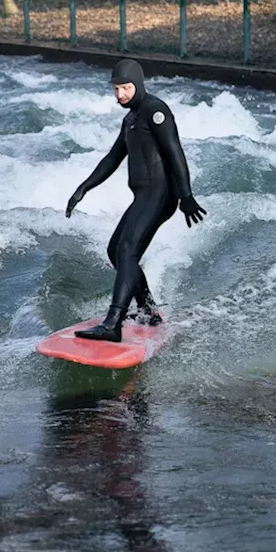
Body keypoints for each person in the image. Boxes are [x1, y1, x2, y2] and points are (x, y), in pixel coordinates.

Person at [65, 59, 206, 342]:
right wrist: (84, 187)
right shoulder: (130, 118)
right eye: (116, 89)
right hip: (143, 194)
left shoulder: (156, 111)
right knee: (115, 250)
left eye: (125, 88)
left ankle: (112, 323)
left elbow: (175, 153)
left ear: (139, 85)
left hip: (160, 194)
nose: (120, 95)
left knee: (127, 250)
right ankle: (147, 310)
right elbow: (113, 158)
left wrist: (186, 196)